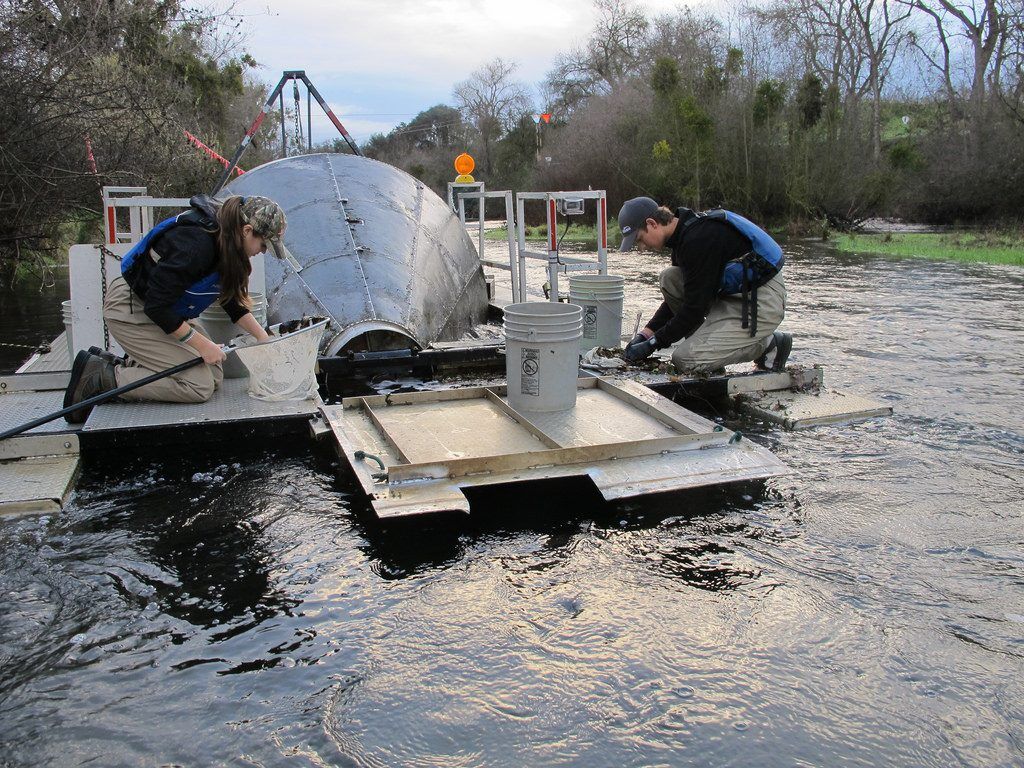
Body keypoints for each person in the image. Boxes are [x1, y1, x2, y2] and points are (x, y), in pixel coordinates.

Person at [63, 194, 286, 423]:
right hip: (132, 308)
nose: (263, 251)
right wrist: (203, 344)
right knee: (198, 386)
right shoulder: (196, 244)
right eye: (263, 245)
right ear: (247, 230)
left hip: (168, 310)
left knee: (215, 375)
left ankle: (129, 364)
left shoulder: (229, 245)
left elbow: (231, 302)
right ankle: (103, 377)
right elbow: (156, 306)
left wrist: (263, 338)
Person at [617, 196, 792, 374]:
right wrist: (646, 334)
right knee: (669, 277)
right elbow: (686, 297)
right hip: (733, 294)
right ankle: (708, 354)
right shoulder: (682, 236)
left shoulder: (698, 240)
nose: (641, 247)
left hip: (761, 301)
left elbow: (694, 309)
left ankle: (769, 345)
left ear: (652, 223)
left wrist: (653, 343)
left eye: (639, 239)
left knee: (684, 360)